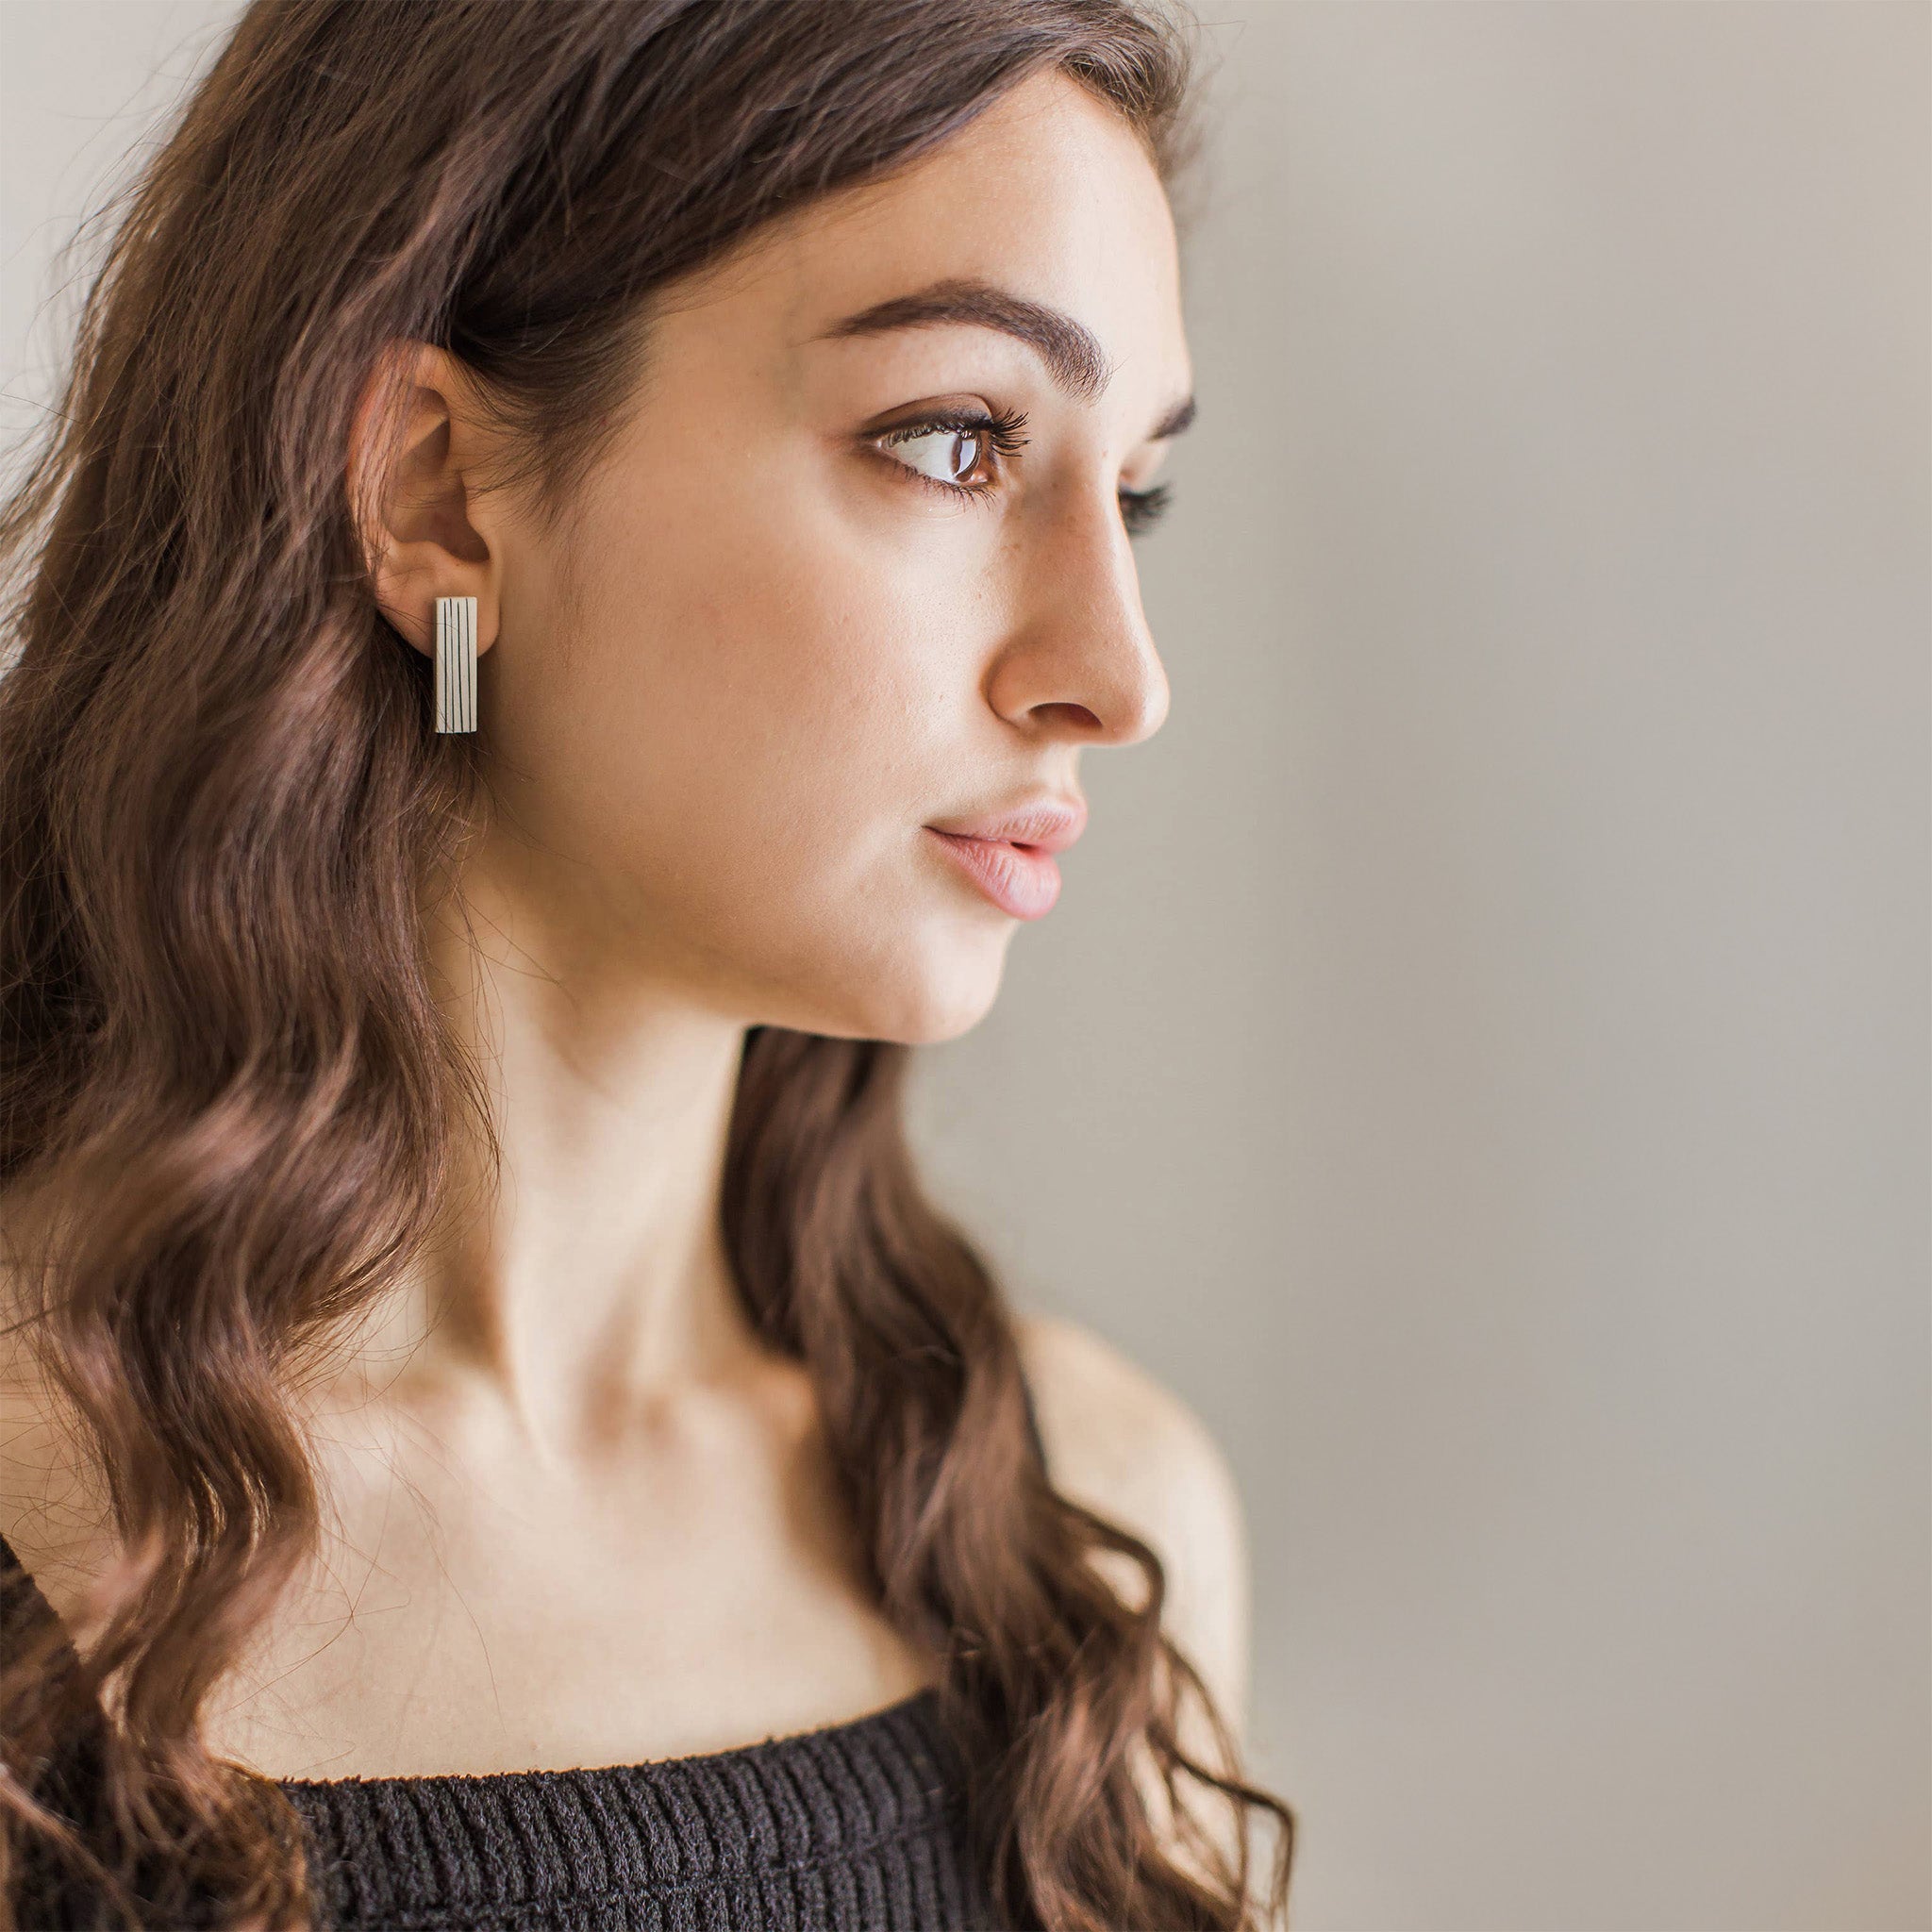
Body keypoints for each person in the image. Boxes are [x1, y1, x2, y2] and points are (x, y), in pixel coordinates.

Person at [0, 1, 1296, 1926]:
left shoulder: (1093, 1546)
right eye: (953, 440)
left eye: (1133, 493)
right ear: (438, 493)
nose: (1115, 675)